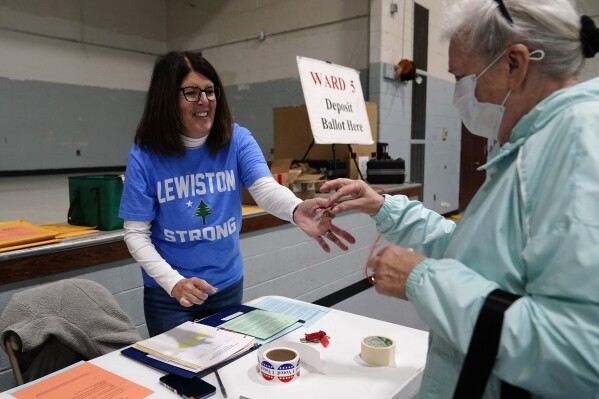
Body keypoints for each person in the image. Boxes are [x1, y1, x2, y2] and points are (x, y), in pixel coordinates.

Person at [319, 0, 599, 397]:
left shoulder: (579, 148)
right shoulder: (534, 144)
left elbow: (582, 354)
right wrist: (383, 205)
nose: (460, 95)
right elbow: (480, 255)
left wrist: (423, 279)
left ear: (514, 65)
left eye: (463, 78)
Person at [118, 51, 354, 337]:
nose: (204, 100)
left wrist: (295, 208)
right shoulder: (145, 155)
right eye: (191, 92)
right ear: (167, 99)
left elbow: (264, 188)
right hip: (171, 298)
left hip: (226, 287)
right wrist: (173, 282)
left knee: (228, 368)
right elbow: (135, 233)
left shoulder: (236, 139)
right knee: (179, 377)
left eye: (209, 90)